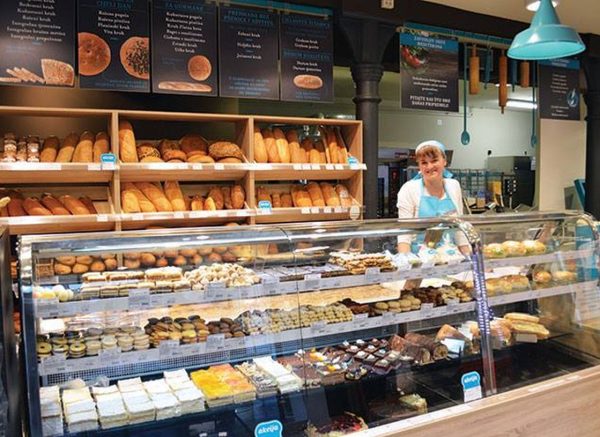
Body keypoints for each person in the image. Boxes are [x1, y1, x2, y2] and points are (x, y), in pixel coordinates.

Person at [396, 140, 469, 254]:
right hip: (420, 257)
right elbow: (404, 235)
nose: (429, 166)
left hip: (451, 255)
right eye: (424, 162)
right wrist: (406, 260)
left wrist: (470, 258)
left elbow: (459, 227)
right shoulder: (409, 189)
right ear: (419, 166)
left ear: (444, 161)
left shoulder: (453, 186)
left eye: (434, 160)